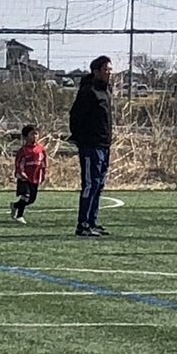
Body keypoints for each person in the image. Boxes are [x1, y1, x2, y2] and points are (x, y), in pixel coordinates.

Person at [68, 55, 113, 237]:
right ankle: (83, 224)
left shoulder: (106, 91)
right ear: (96, 71)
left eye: (110, 70)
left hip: (104, 146)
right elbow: (75, 117)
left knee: (99, 185)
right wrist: (82, 139)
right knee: (90, 185)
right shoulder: (88, 92)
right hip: (90, 146)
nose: (109, 73)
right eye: (106, 70)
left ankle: (92, 222)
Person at [11, 124, 48, 224]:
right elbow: (19, 163)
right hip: (24, 177)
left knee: (31, 199)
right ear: (26, 137)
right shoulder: (23, 150)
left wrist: (43, 173)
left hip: (35, 177)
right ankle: (19, 216)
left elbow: (43, 162)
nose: (35, 136)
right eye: (32, 134)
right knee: (25, 196)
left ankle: (15, 205)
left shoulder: (41, 149)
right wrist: (21, 174)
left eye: (36, 134)